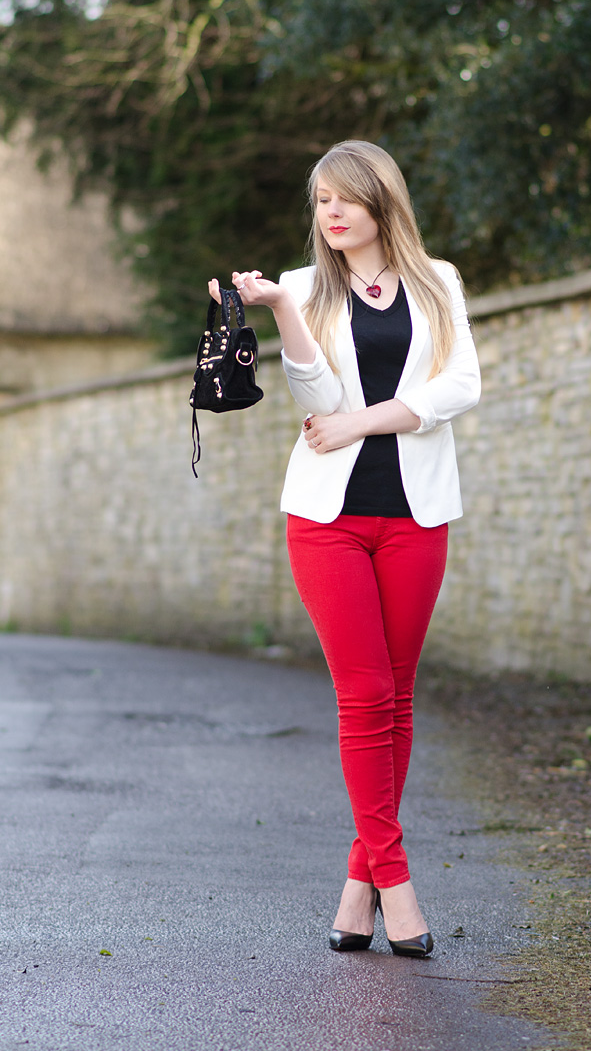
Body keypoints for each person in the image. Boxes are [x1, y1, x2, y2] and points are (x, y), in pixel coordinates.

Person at [208, 139, 480, 958]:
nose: (329, 212)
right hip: (327, 519)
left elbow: (461, 384)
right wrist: (284, 313)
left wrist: (365, 421)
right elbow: (317, 396)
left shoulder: (440, 281)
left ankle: (356, 887)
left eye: (344, 198)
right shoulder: (301, 289)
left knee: (396, 697)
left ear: (380, 202)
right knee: (364, 694)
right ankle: (396, 883)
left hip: (415, 515)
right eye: (319, 199)